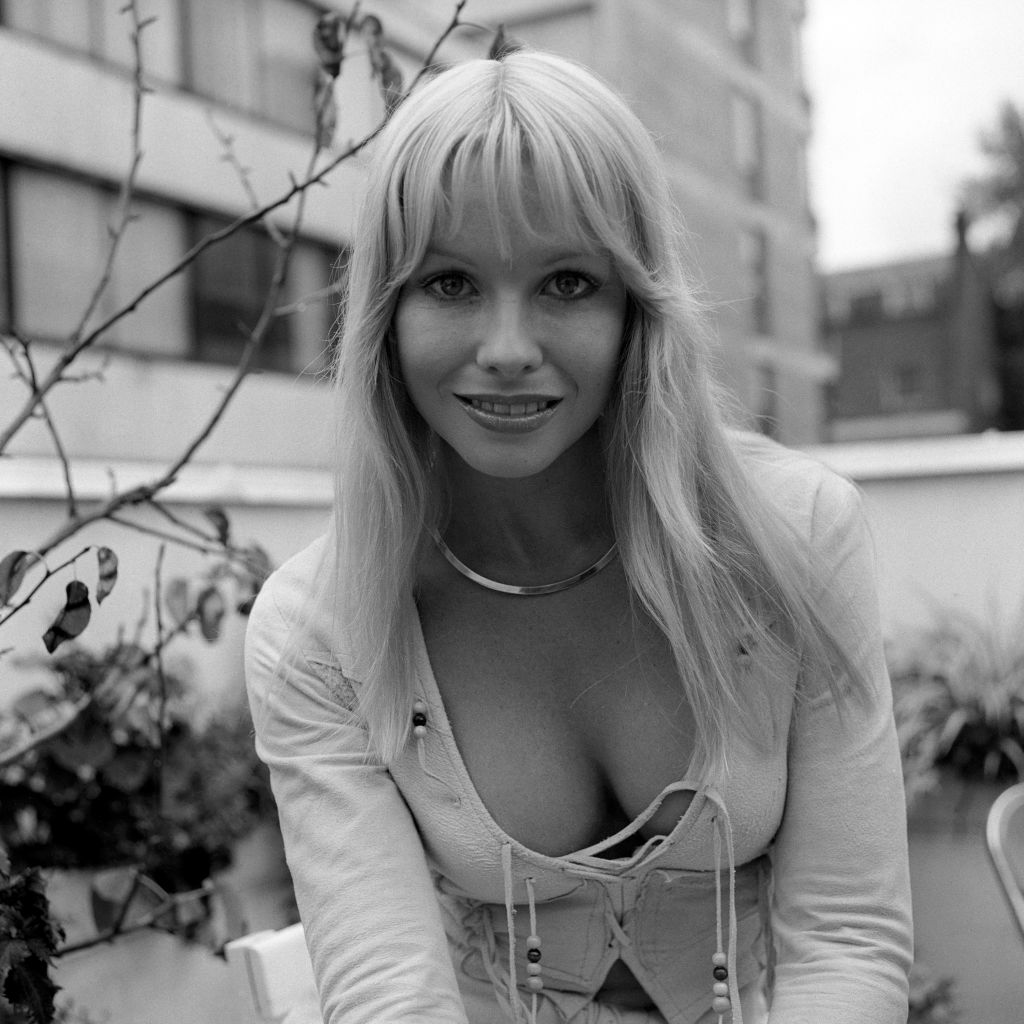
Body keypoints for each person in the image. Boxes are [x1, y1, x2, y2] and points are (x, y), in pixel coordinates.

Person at [245, 49, 913, 1024]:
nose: (507, 349)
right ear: (385, 315)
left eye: (565, 282)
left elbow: (847, 939)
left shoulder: (794, 536)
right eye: (450, 283)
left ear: (637, 307)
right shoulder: (320, 630)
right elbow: (391, 997)